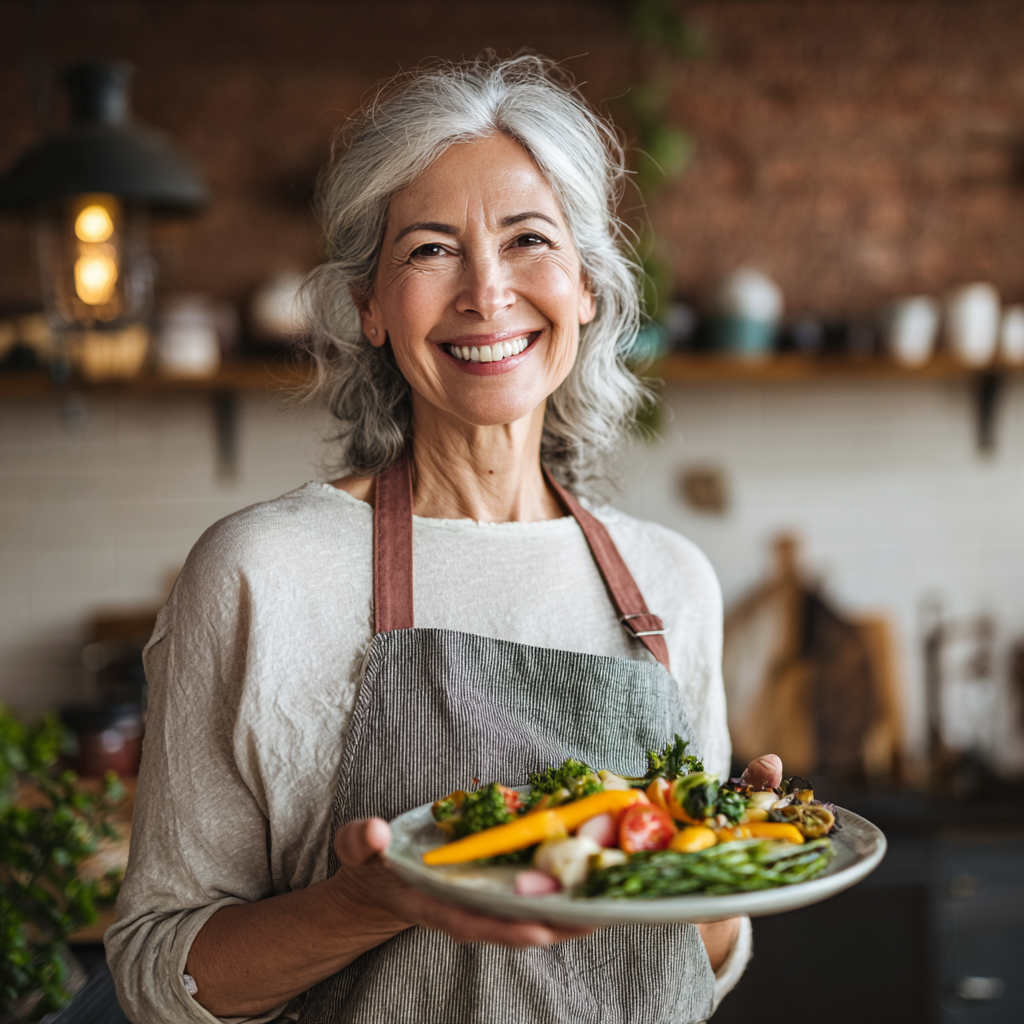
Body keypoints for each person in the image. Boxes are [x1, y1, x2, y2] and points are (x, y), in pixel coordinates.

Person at [107, 55, 780, 1024]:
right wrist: (361, 906)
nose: (486, 292)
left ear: (586, 286)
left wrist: (725, 855)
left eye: (528, 240)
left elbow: (699, 953)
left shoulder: (671, 581)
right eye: (429, 249)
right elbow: (156, 970)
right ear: (370, 307)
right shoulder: (259, 573)